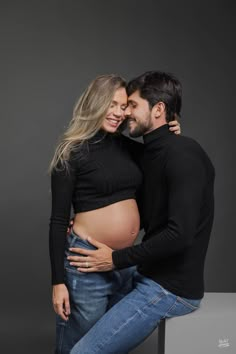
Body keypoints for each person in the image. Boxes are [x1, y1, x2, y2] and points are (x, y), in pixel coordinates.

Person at [67, 71, 215, 354]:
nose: (125, 114)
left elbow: (179, 235)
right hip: (145, 273)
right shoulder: (149, 153)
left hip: (170, 289)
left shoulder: (184, 156)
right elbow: (101, 150)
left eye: (132, 106)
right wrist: (84, 217)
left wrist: (115, 259)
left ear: (158, 109)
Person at [48, 74, 180, 354]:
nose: (119, 113)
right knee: (80, 345)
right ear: (96, 103)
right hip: (87, 265)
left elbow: (160, 156)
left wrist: (172, 132)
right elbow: (59, 220)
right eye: (113, 104)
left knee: (109, 344)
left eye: (124, 106)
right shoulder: (71, 152)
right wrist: (58, 282)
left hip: (123, 263)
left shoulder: (128, 148)